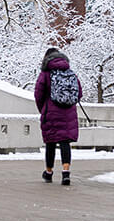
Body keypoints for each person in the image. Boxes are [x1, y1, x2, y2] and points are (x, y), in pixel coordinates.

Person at [34, 47, 81, 186]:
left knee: (50, 143)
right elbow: (79, 93)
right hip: (68, 112)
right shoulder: (69, 72)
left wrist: (42, 108)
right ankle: (66, 172)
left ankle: (49, 172)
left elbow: (38, 94)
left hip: (51, 111)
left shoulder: (45, 73)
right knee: (65, 142)